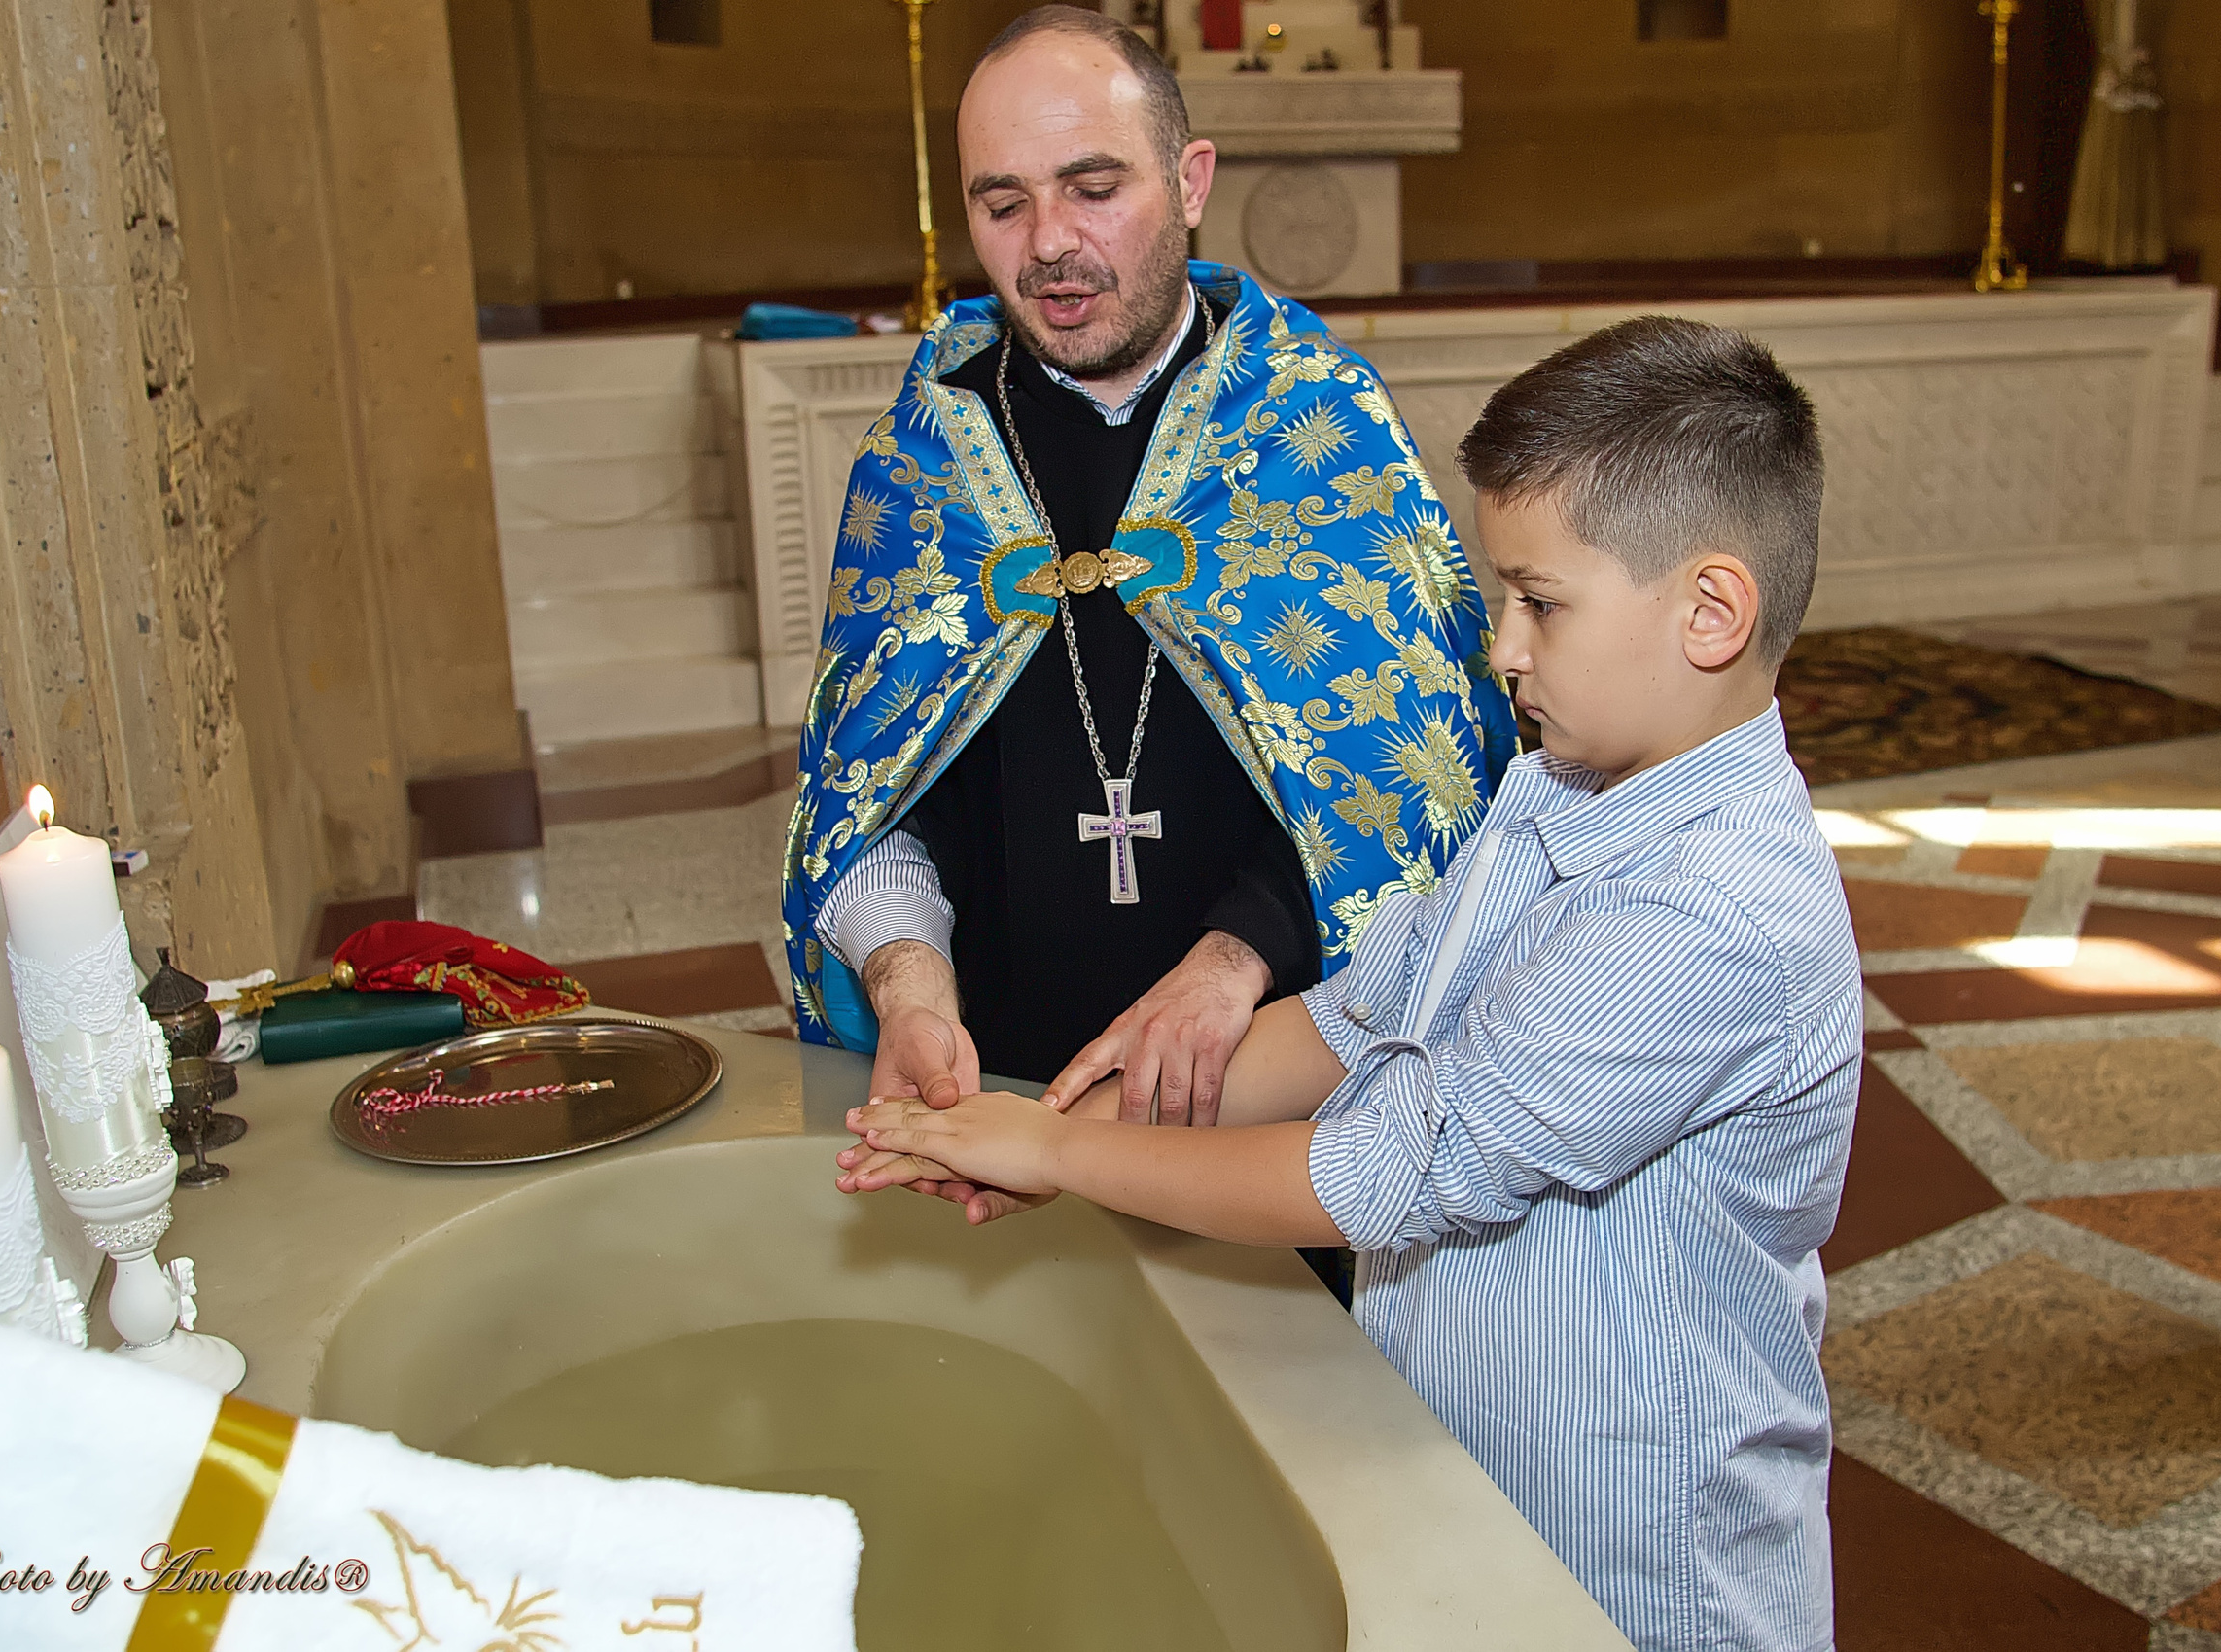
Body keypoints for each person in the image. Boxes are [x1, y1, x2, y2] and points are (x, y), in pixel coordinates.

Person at [840, 316, 1863, 1652]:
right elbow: (1357, 1012)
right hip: (1471, 1478)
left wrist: (1056, 1151)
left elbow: (1387, 1171)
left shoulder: (1709, 912)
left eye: (1540, 603)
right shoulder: (1554, 788)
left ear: (1710, 613)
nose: (1501, 648)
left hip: (1632, 1553)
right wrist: (1049, 1130)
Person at [782, 6, 1515, 1142]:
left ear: (1189, 180)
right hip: (996, 1094)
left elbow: (1423, 772)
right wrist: (907, 977)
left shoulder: (1319, 425)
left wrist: (1239, 955)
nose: (1048, 245)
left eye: (1092, 188)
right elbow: (867, 792)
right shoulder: (922, 458)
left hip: (1274, 1091)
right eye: (1003, 204)